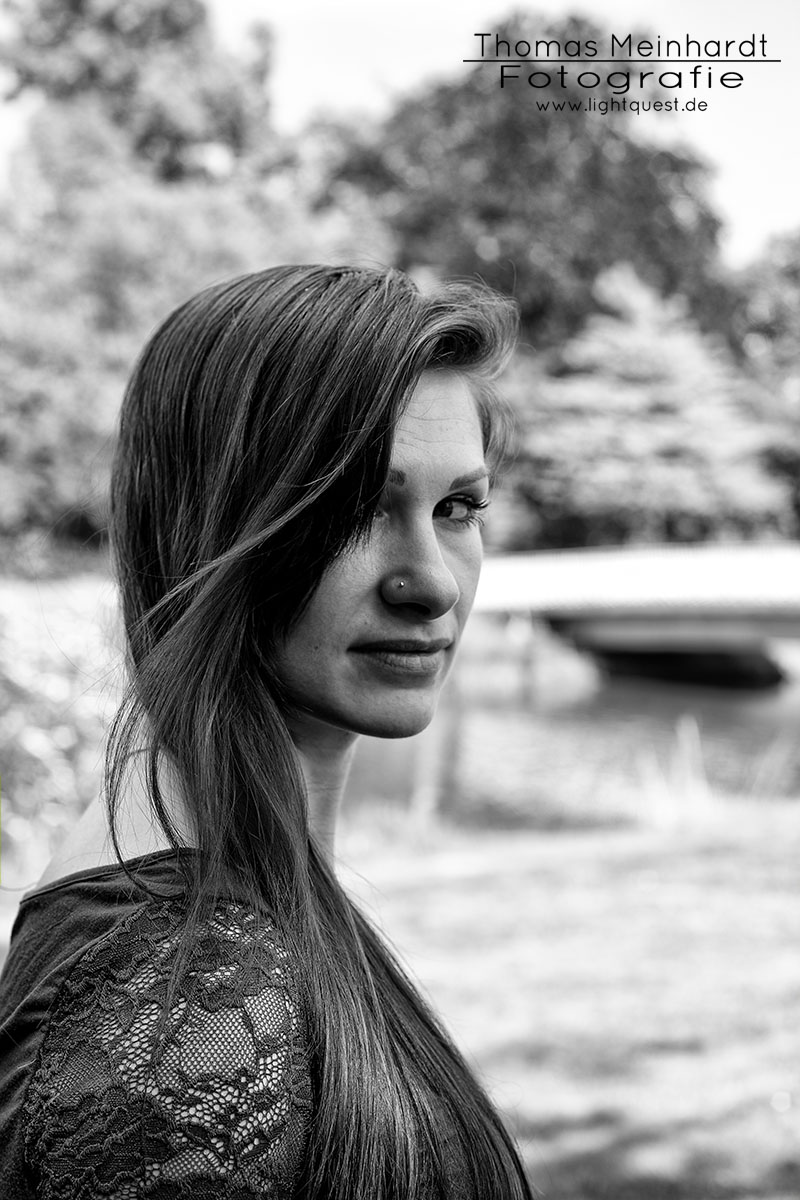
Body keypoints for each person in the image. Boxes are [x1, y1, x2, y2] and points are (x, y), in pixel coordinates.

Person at [0, 264, 532, 1199]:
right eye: (355, 508)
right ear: (212, 526)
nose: (432, 583)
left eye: (457, 508)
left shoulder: (226, 906)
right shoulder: (185, 998)